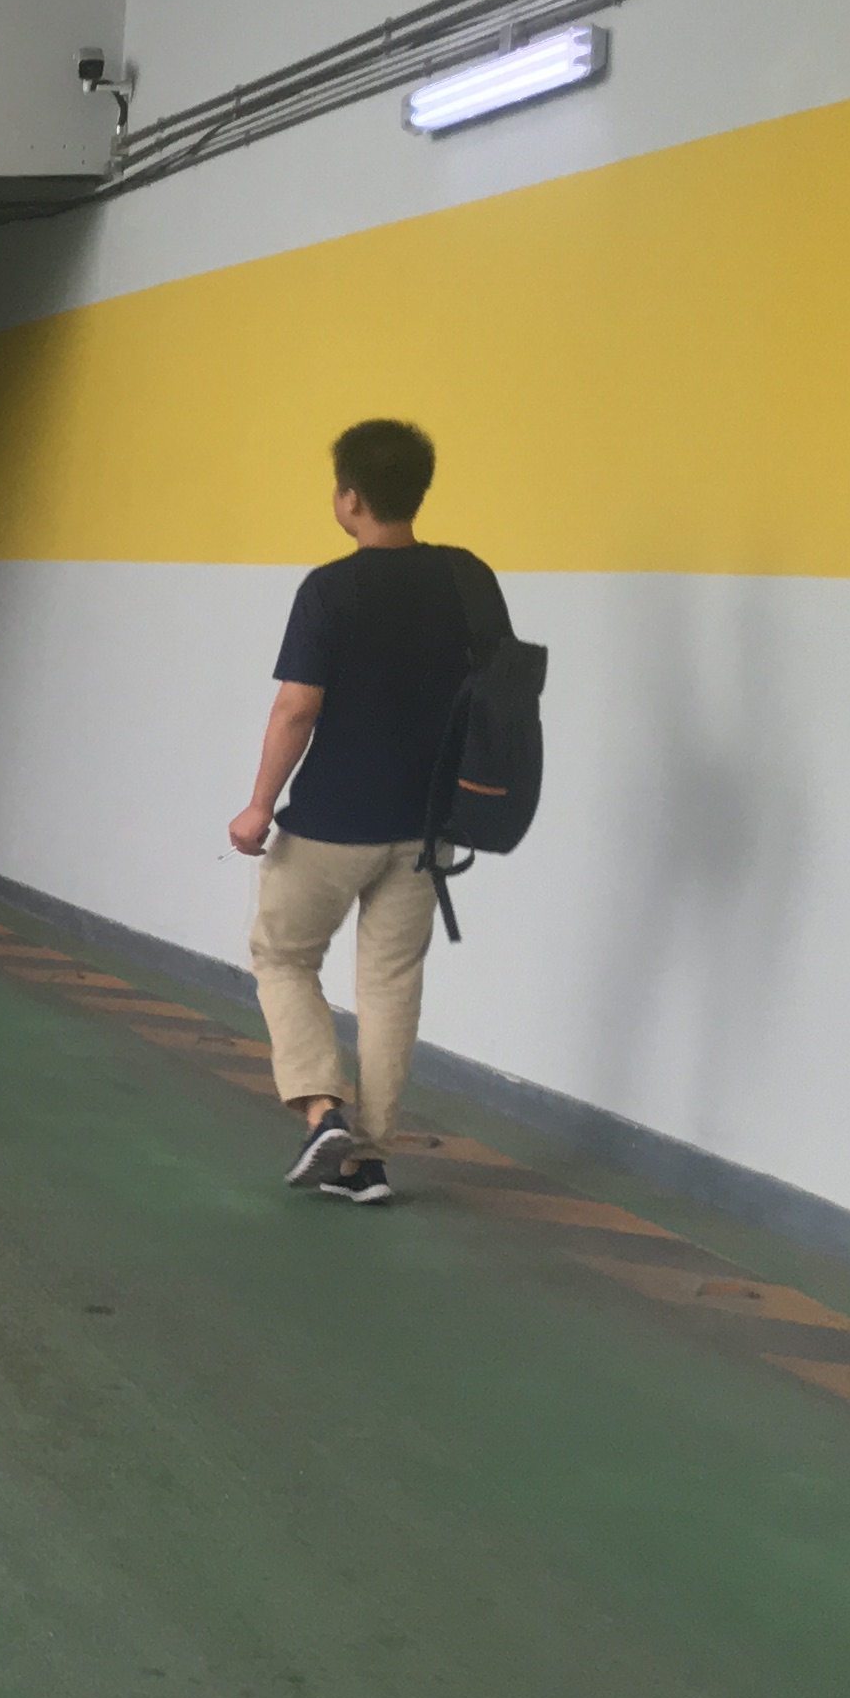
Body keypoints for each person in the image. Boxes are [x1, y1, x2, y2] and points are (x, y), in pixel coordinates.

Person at [225, 419, 507, 1207]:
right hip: (427, 827)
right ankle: (368, 1163)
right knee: (389, 987)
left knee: (283, 957)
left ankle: (324, 1113)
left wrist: (258, 806)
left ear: (350, 498)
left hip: (330, 822)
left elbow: (296, 708)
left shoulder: (331, 589)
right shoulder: (466, 581)